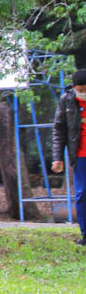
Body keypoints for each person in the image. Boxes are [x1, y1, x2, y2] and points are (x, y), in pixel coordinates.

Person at [51, 68, 86, 246]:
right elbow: (59, 130)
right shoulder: (67, 100)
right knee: (81, 194)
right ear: (74, 87)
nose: (84, 92)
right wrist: (57, 157)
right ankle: (85, 234)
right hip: (80, 157)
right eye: (81, 89)